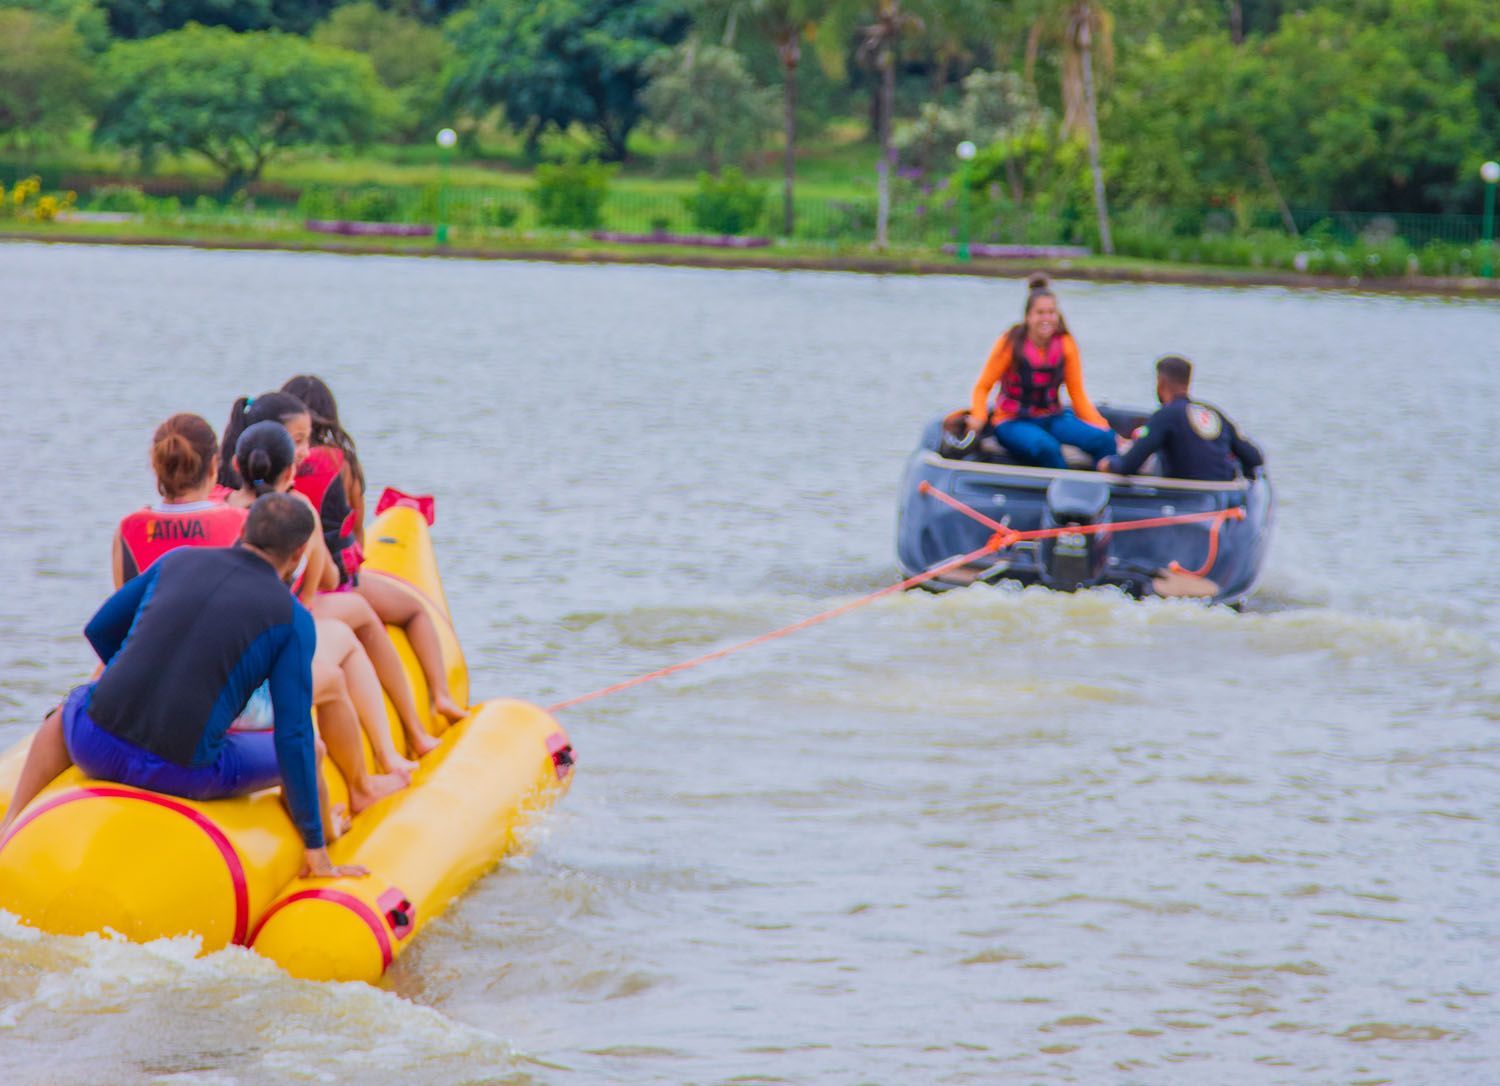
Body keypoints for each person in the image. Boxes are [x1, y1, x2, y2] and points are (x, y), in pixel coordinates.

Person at [0, 495, 384, 878]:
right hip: (185, 770)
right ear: (300, 552)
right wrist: (316, 846)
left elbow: (100, 629)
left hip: (96, 745)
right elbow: (293, 733)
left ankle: (10, 831)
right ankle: (321, 846)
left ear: (243, 530)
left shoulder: (177, 560)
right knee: (312, 749)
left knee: (71, 706)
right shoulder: (292, 617)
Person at [229, 421, 431, 771]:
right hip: (267, 656)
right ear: (291, 468)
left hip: (223, 655)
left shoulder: (221, 509)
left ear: (235, 465)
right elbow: (327, 575)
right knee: (349, 632)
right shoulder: (299, 509)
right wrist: (306, 599)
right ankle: (392, 751)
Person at [278, 376, 465, 725]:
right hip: (336, 582)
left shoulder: (277, 466)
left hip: (295, 587)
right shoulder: (341, 463)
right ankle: (440, 695)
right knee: (415, 611)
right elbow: (356, 526)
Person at [967, 274, 1119, 469]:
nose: (1046, 318)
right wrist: (978, 416)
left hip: (1052, 417)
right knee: (1046, 447)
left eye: (1051, 312)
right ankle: (1065, 492)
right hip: (1012, 421)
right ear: (1028, 316)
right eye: (1040, 313)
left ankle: (1103, 491)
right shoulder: (1010, 343)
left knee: (1104, 440)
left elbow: (1077, 394)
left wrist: (1103, 426)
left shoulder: (1066, 345)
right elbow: (983, 386)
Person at [112, 414, 247, 588]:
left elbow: (122, 604)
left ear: (156, 466)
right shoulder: (241, 524)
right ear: (214, 466)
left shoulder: (129, 529)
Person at [1098, 356, 1265, 481]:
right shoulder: (1214, 413)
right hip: (1221, 498)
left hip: (1185, 500)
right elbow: (1254, 457)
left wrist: (1107, 464)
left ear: (1161, 382)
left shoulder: (1165, 415)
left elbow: (1128, 465)